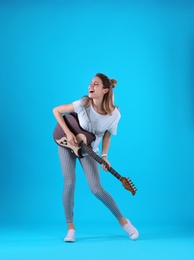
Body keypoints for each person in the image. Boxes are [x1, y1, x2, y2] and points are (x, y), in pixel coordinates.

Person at [53, 73, 139, 242]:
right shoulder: (83, 103)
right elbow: (56, 110)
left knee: (96, 189)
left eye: (96, 84)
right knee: (69, 183)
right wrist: (69, 133)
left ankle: (124, 222)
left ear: (105, 90)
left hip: (88, 149)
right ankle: (70, 227)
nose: (90, 86)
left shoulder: (114, 115)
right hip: (67, 143)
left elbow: (107, 137)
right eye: (91, 83)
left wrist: (105, 156)